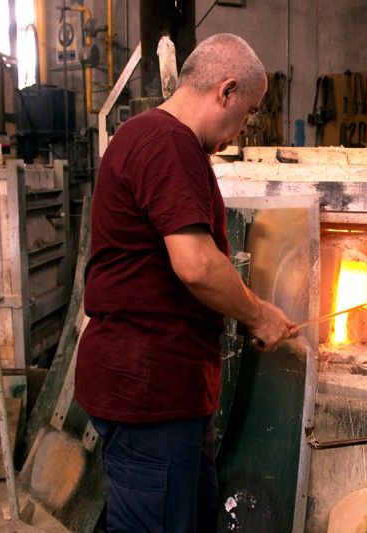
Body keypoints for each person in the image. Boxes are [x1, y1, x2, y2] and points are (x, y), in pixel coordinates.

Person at [74, 33, 297, 532]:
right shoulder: (167, 142)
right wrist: (259, 315)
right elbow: (195, 264)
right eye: (249, 112)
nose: (244, 128)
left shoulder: (152, 138)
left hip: (164, 388)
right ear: (227, 90)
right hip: (150, 389)